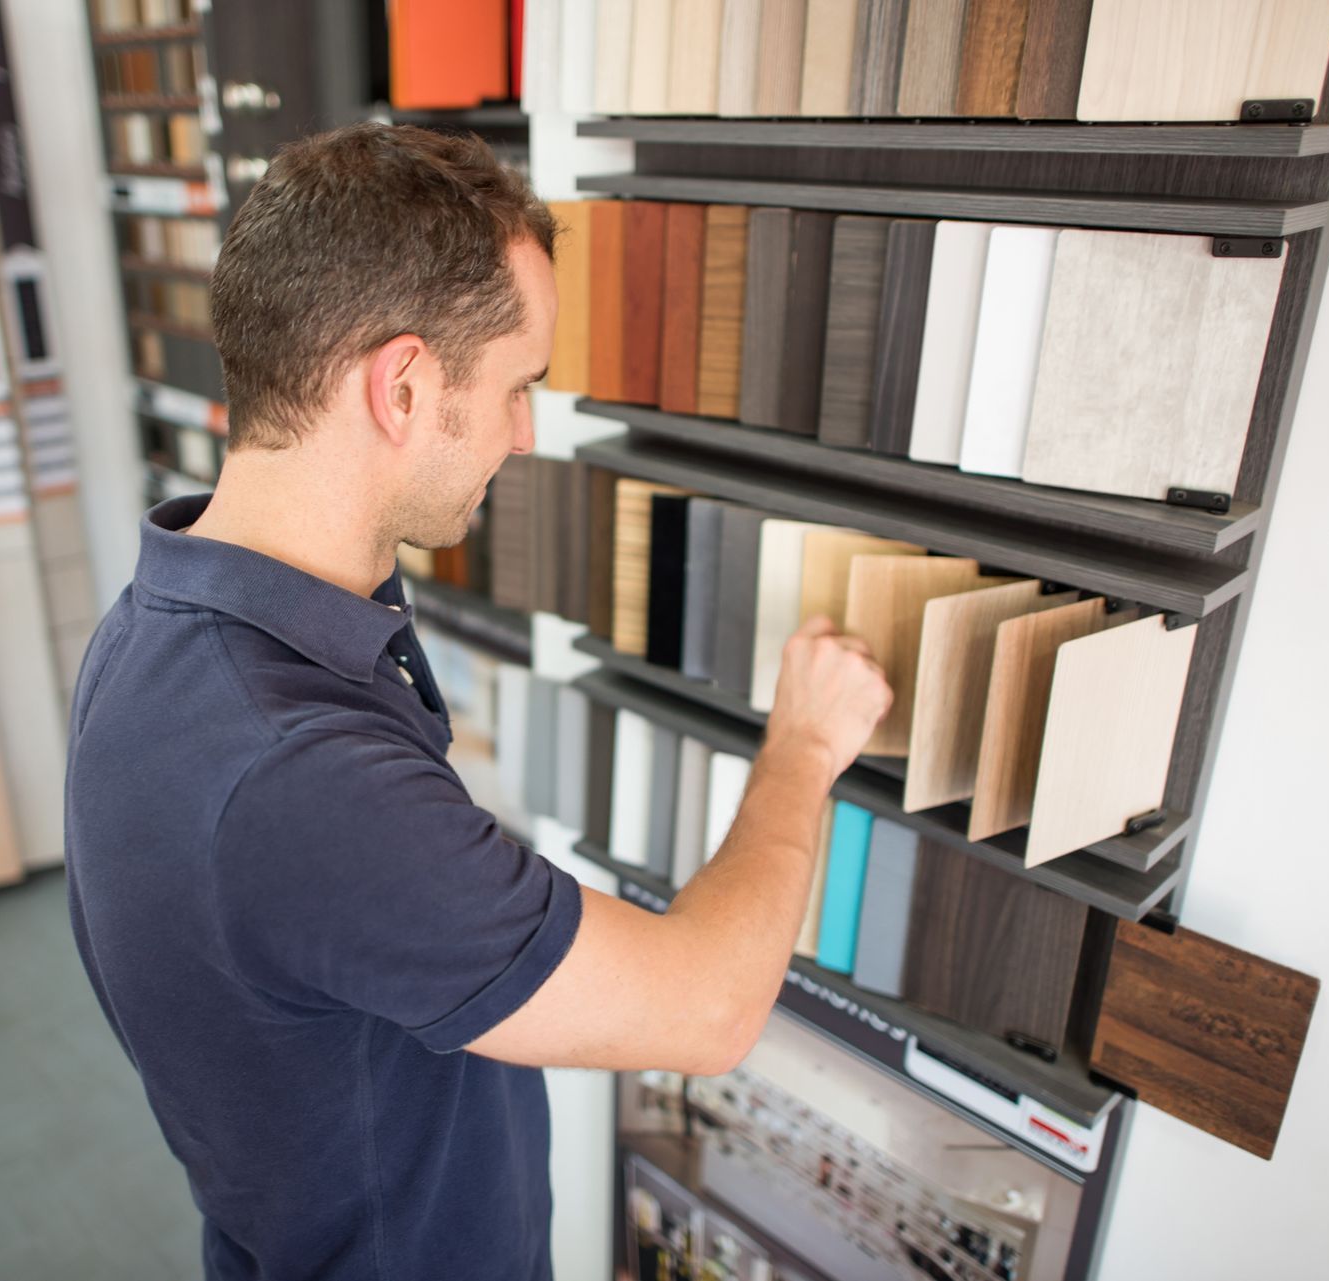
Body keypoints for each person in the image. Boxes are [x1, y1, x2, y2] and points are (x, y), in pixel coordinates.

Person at [64, 123, 891, 1281]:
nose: (523, 433)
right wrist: (803, 748)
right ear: (402, 386)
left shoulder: (163, 626)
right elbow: (706, 1011)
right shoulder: (297, 777)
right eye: (516, 387)